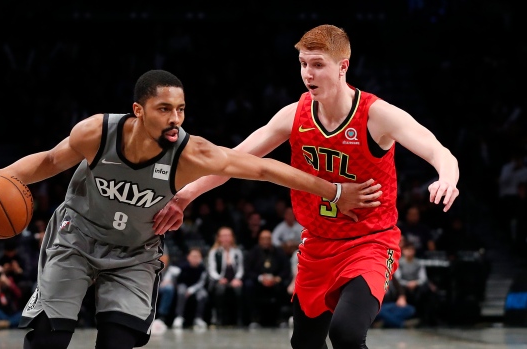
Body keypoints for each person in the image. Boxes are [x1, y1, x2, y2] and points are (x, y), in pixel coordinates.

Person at [0, 69, 382, 349]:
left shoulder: (189, 152)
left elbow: (264, 168)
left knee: (116, 343)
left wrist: (333, 192)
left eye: (181, 109)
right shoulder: (97, 132)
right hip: (76, 238)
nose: (175, 118)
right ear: (139, 111)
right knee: (47, 341)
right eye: (165, 109)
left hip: (134, 255)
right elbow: (48, 162)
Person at [153, 25, 460, 349]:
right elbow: (231, 162)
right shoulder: (293, 115)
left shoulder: (375, 114)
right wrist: (184, 196)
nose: (307, 73)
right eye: (303, 64)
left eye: (317, 64)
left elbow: (438, 150)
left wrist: (447, 176)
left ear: (343, 66)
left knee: (346, 333)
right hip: (317, 245)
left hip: (368, 242)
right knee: (305, 343)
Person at [206, 226, 244, 326]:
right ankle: (219, 318)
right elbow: (212, 270)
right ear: (219, 238)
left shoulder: (237, 252)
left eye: (228, 235)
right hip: (219, 280)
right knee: (220, 289)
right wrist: (219, 278)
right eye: (223, 236)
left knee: (239, 290)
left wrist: (237, 279)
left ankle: (238, 319)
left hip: (233, 280)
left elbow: (240, 269)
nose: (226, 238)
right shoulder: (214, 252)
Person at [171, 247, 208, 330]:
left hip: (196, 287)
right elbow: (176, 279)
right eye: (193, 256)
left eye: (197, 256)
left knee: (203, 294)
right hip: (183, 285)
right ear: (188, 257)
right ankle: (179, 317)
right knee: (181, 292)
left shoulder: (202, 268)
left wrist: (191, 290)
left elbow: (201, 282)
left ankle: (198, 318)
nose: (195, 258)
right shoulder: (182, 266)